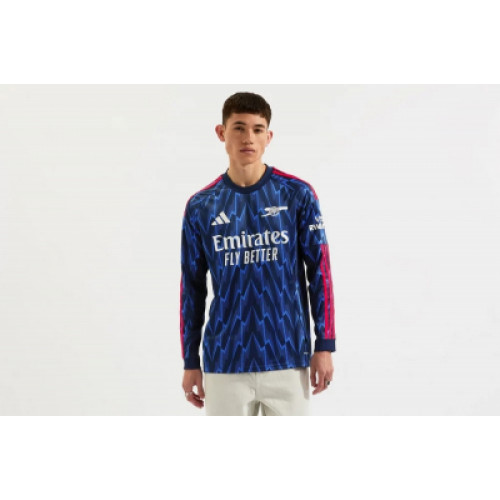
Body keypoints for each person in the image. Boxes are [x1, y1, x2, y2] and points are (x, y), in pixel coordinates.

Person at [180, 92, 336, 415]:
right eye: (238, 128)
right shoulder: (201, 206)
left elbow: (320, 273)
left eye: (257, 129)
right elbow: (191, 288)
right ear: (221, 133)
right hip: (225, 361)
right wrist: (190, 360)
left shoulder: (297, 195)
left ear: (269, 136)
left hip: (287, 358)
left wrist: (324, 345)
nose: (248, 138)